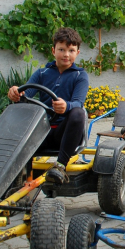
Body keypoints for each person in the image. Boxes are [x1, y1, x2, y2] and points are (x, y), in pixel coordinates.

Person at [7, 27, 89, 184]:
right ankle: (18, 178)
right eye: (62, 49)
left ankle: (60, 166)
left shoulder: (80, 76)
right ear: (53, 51)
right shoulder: (42, 74)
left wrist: (67, 106)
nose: (66, 54)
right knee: (18, 112)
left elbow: (78, 102)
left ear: (77, 53)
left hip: (65, 135)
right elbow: (26, 96)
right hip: (39, 132)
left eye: (71, 50)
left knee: (78, 112)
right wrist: (16, 93)